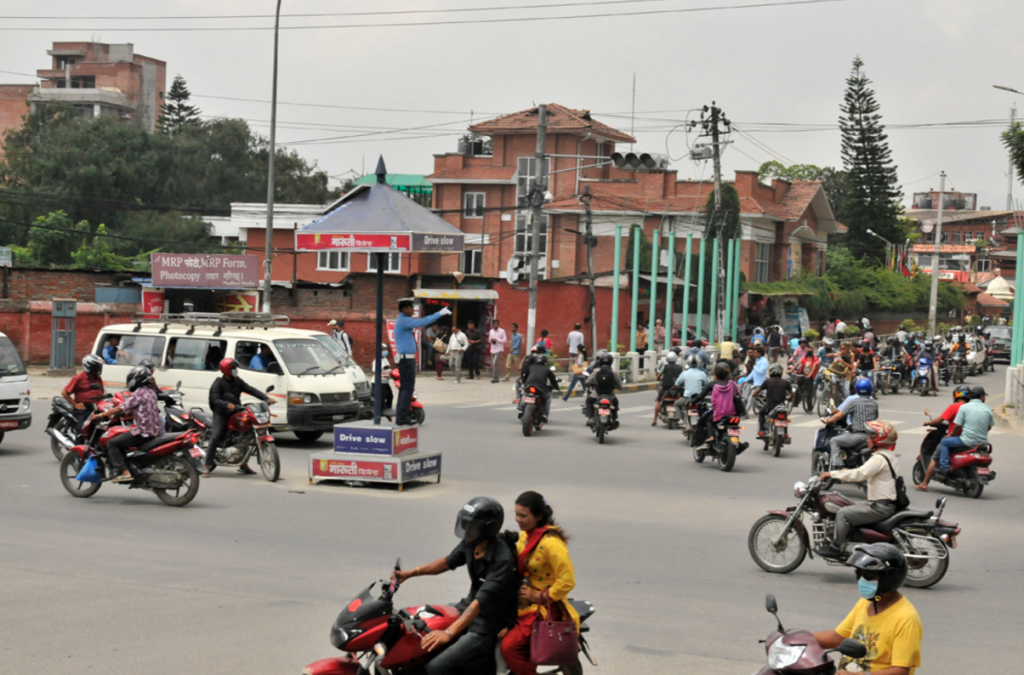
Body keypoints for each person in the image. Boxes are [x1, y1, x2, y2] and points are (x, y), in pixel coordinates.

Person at [392, 497, 517, 675]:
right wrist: (410, 573)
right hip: (466, 608)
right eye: (465, 523)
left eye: (472, 525)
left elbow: (481, 602)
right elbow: (447, 562)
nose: (467, 529)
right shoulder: (471, 542)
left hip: (487, 625)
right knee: (415, 645)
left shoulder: (502, 559)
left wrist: (449, 633)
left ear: (488, 528)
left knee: (436, 667)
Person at [500, 492, 582, 675]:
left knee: (509, 647)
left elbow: (567, 580)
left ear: (538, 516)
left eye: (523, 516)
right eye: (516, 514)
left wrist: (539, 596)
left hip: (543, 607)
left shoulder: (551, 543)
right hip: (521, 600)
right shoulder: (525, 535)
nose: (517, 519)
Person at [812, 543, 922, 675]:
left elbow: (901, 671)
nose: (862, 580)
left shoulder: (906, 619)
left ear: (889, 578)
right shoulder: (866, 603)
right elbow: (838, 636)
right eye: (859, 574)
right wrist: (799, 638)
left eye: (868, 576)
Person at [816, 421, 901, 559]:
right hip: (884, 503)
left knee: (843, 513)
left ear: (879, 440)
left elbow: (858, 474)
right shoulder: (890, 456)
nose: (867, 439)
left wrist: (831, 474)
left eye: (871, 436)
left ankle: (836, 548)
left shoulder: (879, 459)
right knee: (850, 506)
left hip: (880, 507)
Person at [94, 366, 163, 483]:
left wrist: (102, 415)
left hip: (143, 432)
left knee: (112, 443)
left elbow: (119, 408)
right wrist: (130, 411)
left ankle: (125, 472)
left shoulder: (138, 394)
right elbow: (143, 407)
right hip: (154, 431)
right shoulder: (151, 392)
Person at [917, 385, 993, 490]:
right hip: (983, 443)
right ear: (981, 397)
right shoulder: (987, 409)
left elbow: (955, 425)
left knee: (944, 442)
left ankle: (935, 475)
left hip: (964, 440)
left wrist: (950, 434)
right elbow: (988, 427)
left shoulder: (962, 407)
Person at [206, 358, 272, 475]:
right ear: (227, 370)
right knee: (216, 436)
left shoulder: (237, 381)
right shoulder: (218, 383)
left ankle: (243, 464)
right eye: (233, 368)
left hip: (236, 411)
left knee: (247, 434)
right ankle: (207, 464)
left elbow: (250, 389)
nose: (235, 370)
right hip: (221, 413)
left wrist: (265, 398)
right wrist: (227, 404)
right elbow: (215, 399)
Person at [395, 300, 450, 423]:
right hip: (406, 360)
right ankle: (402, 417)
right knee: (407, 388)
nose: (412, 311)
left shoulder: (403, 320)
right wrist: (439, 313)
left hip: (406, 359)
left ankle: (401, 415)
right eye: (410, 308)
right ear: (404, 309)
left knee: (405, 388)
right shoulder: (404, 320)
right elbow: (423, 322)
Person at [689, 362, 747, 453]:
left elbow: (701, 396)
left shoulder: (713, 384)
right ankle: (736, 442)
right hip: (734, 413)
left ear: (716, 375)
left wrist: (692, 403)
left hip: (719, 413)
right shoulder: (732, 384)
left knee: (707, 420)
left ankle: (711, 437)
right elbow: (739, 395)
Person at [822, 377, 878, 469]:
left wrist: (828, 420)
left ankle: (840, 467)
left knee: (834, 440)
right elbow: (875, 416)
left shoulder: (854, 402)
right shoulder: (874, 403)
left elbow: (839, 415)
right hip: (871, 436)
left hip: (857, 436)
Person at [63, 354, 107, 432]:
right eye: (96, 366)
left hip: (98, 407)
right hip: (84, 408)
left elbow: (101, 391)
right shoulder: (79, 378)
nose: (98, 368)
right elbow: (64, 393)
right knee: (82, 428)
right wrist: (75, 405)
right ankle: (78, 443)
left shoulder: (98, 377)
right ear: (88, 366)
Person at [520, 354, 560, 424]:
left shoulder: (530, 367)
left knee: (525, 393)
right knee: (548, 398)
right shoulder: (546, 369)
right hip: (540, 388)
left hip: (529, 385)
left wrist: (524, 383)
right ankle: (545, 414)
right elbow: (553, 380)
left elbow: (525, 376)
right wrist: (557, 387)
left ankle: (521, 409)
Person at [755, 363, 792, 437]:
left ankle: (761, 430)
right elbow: (793, 394)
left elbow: (757, 392)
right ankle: (785, 433)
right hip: (782, 407)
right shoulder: (786, 382)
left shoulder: (767, 381)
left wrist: (754, 395)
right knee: (784, 417)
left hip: (770, 407)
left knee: (761, 413)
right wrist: (789, 398)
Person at [585, 353, 621, 425]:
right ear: (611, 362)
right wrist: (618, 387)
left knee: (589, 401)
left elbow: (587, 382)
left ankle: (590, 418)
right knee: (615, 402)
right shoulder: (613, 372)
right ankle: (614, 418)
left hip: (596, 395)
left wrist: (590, 384)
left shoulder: (596, 371)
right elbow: (619, 385)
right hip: (610, 396)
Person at [652, 351, 684, 426]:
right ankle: (681, 418)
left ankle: (654, 420)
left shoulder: (665, 366)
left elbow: (658, 376)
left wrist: (659, 379)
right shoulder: (680, 367)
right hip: (677, 389)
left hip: (665, 389)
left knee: (658, 401)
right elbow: (683, 377)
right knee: (683, 400)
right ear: (676, 358)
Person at [371, 343, 393, 412]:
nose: (385, 351)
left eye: (386, 349)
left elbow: (388, 369)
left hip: (385, 381)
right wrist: (383, 375)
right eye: (384, 350)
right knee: (382, 398)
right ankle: (380, 412)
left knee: (390, 396)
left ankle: (388, 410)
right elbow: (374, 372)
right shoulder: (377, 360)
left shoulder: (385, 359)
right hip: (378, 382)